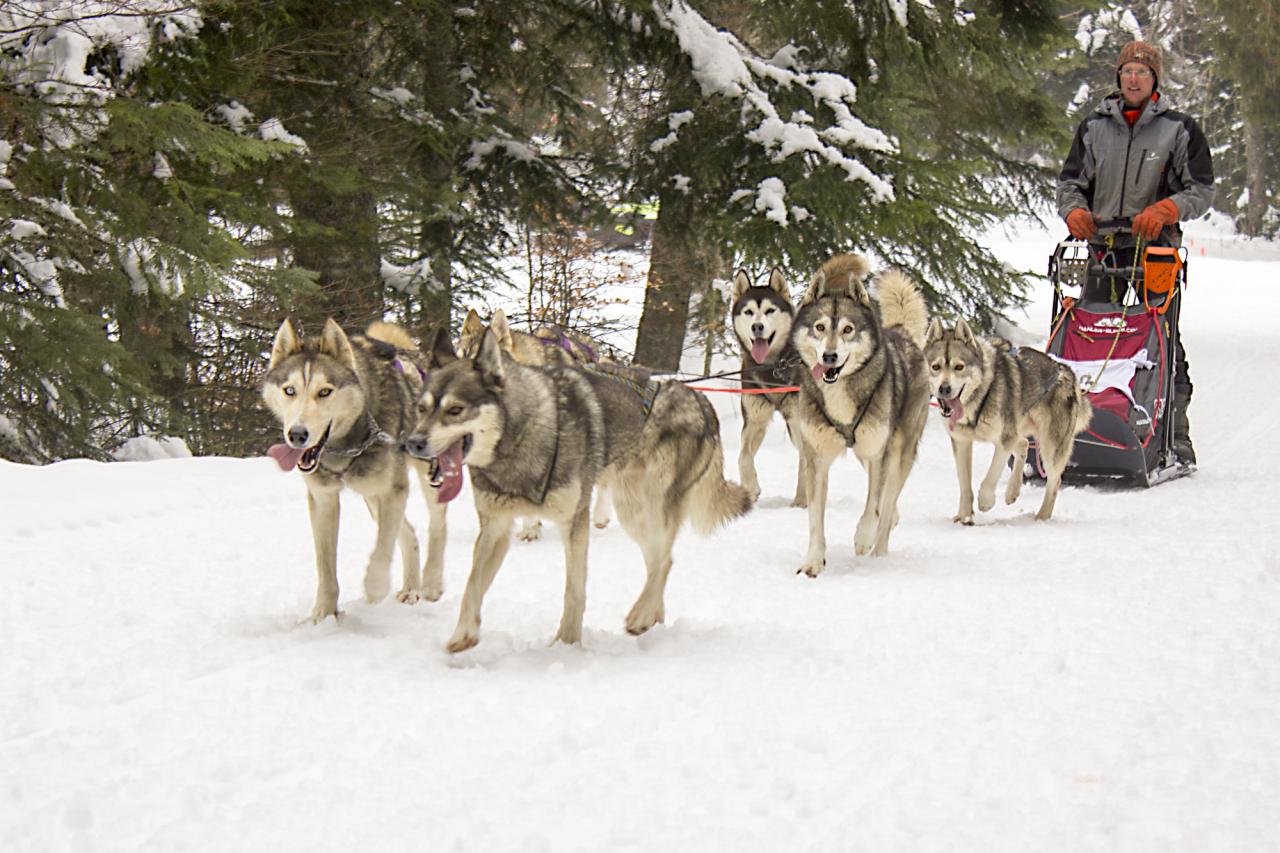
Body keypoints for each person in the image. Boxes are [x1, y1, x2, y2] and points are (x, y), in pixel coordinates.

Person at [1056, 39, 1214, 468]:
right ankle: (1076, 423)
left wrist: (1167, 209)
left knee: (1159, 339)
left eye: (1142, 72)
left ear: (1154, 79)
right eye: (1127, 70)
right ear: (1118, 77)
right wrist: (1074, 211)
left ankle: (1172, 435)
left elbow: (1202, 190)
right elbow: (1069, 183)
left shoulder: (1179, 129)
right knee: (1088, 331)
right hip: (1101, 246)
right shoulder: (1093, 127)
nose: (1134, 77)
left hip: (1155, 251)